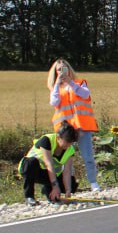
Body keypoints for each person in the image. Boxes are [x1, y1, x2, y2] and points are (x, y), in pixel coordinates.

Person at [47, 58, 101, 194]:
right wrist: (58, 85)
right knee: (67, 160)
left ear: (69, 69)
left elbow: (85, 93)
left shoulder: (79, 83)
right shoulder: (56, 88)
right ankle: (69, 184)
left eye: (64, 68)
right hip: (66, 130)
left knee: (88, 157)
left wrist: (70, 83)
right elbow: (54, 102)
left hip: (82, 127)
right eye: (59, 69)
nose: (62, 71)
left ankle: (93, 182)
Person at [18, 122, 79, 206]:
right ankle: (29, 196)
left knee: (72, 183)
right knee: (31, 163)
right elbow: (49, 164)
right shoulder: (47, 140)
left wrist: (68, 191)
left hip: (48, 174)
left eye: (71, 142)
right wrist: (55, 186)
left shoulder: (70, 149)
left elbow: (67, 171)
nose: (68, 145)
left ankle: (49, 192)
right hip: (33, 170)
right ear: (58, 137)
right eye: (67, 141)